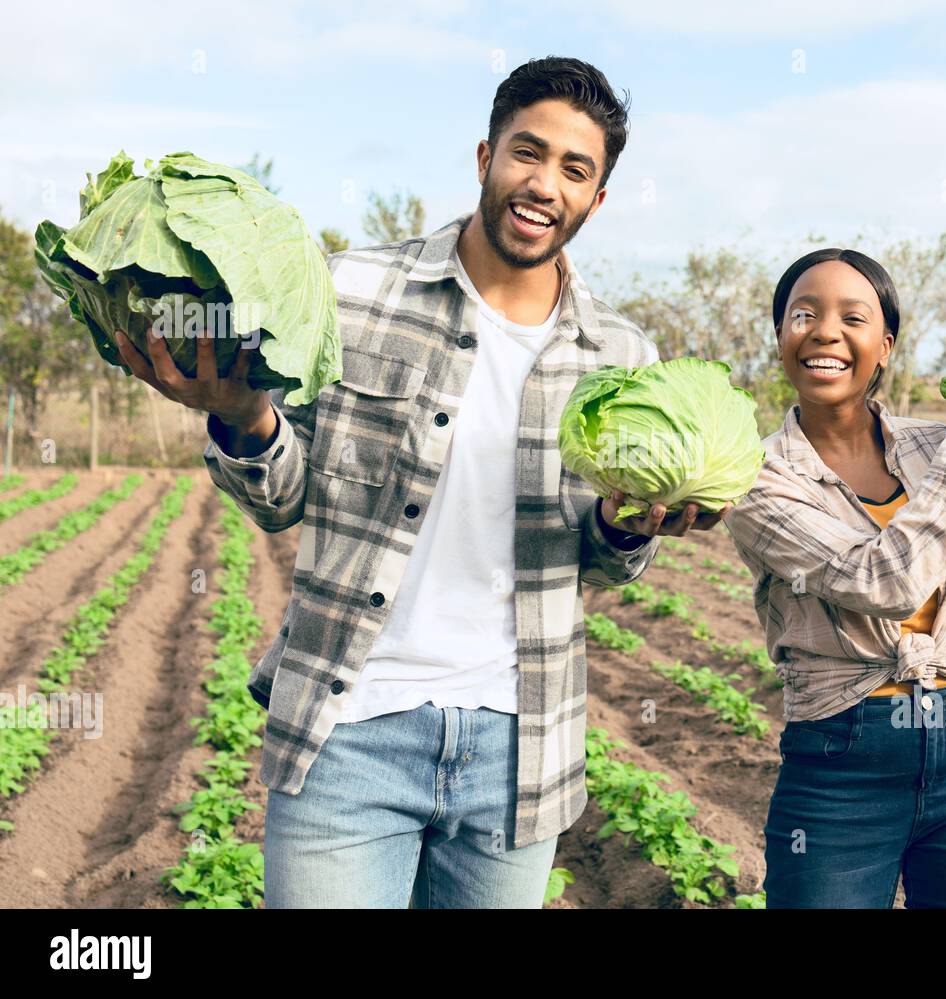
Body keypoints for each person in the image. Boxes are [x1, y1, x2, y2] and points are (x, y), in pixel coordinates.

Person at [112, 56, 728, 908]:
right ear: (486, 158)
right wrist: (244, 416)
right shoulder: (351, 290)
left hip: (520, 749)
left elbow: (602, 559)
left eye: (574, 170)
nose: (544, 183)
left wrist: (630, 527)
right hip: (350, 731)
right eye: (528, 153)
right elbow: (282, 498)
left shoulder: (620, 357)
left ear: (597, 199)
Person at [724, 248, 946, 908]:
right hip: (842, 766)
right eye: (803, 314)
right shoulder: (753, 479)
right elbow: (883, 581)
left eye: (852, 317)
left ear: (885, 345)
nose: (826, 331)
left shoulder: (938, 448)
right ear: (781, 337)